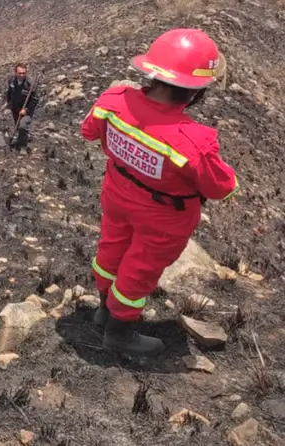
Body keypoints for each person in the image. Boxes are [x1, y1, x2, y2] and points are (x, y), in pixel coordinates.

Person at [82, 28, 239, 357]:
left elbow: (88, 131)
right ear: (195, 93)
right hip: (163, 217)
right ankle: (119, 333)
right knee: (140, 268)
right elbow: (220, 187)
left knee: (111, 249)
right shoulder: (193, 140)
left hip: (117, 193)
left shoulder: (113, 102)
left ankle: (102, 309)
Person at [5, 63, 39, 150]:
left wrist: (26, 110)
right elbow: (9, 92)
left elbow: (35, 100)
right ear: (15, 72)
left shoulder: (30, 84)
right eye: (19, 73)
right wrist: (9, 103)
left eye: (23, 73)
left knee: (23, 125)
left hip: (26, 111)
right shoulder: (12, 80)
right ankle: (20, 141)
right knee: (18, 127)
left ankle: (23, 147)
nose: (22, 75)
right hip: (15, 109)